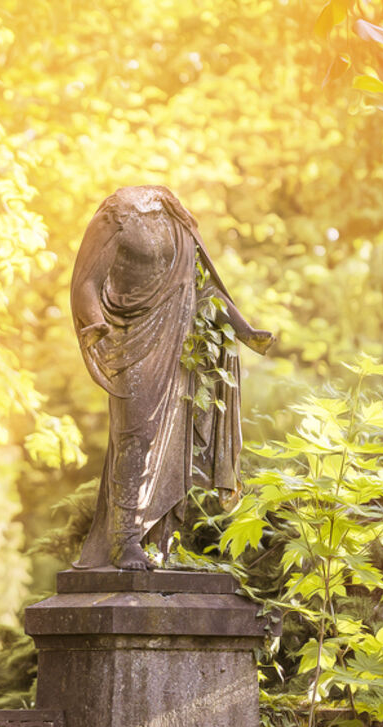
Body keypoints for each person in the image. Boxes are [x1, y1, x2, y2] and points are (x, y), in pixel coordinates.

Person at [70, 185, 273, 570]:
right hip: (134, 343)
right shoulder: (115, 218)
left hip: (180, 348)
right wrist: (95, 323)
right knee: (137, 435)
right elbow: (85, 283)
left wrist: (245, 331)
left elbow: (204, 288)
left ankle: (162, 544)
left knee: (178, 444)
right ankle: (124, 540)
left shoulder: (179, 224)